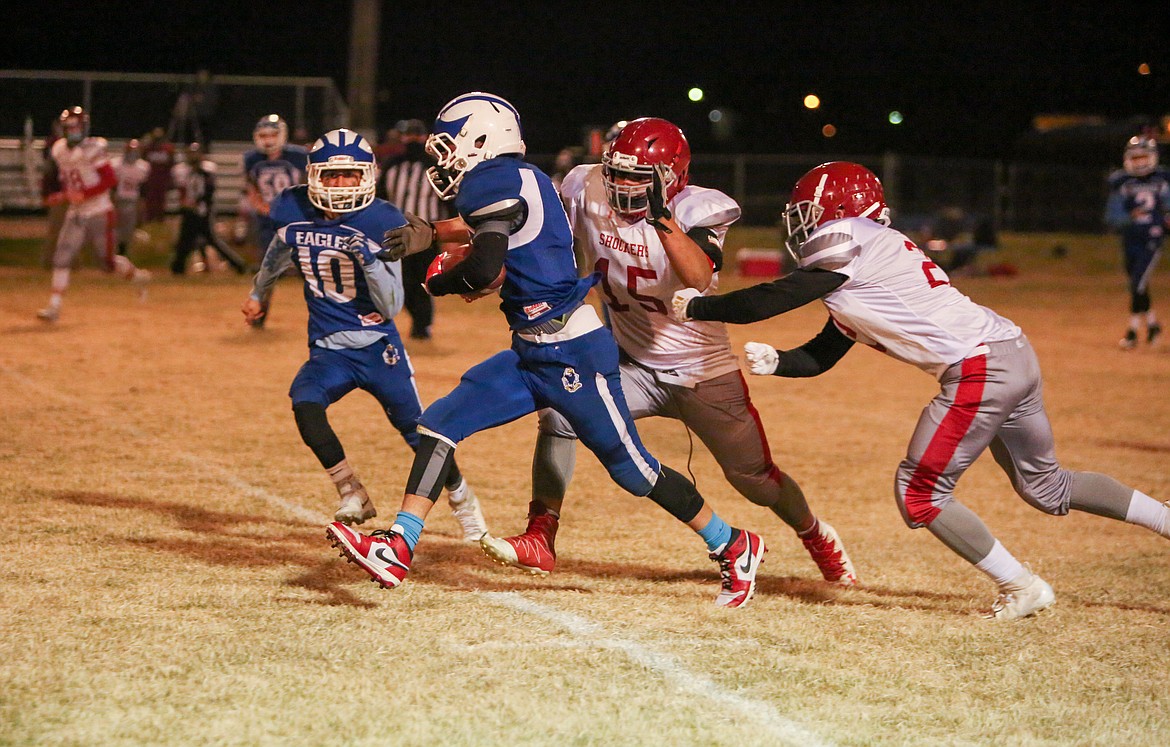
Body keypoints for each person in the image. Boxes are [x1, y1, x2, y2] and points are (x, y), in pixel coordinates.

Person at [672, 161, 1170, 620]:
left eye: (808, 213)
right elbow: (821, 354)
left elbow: (775, 297)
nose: (800, 226)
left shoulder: (848, 237)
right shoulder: (867, 268)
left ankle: (1021, 586)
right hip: (1011, 350)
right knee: (1047, 486)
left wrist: (700, 308)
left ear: (840, 211)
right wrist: (779, 362)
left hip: (979, 367)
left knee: (919, 493)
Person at [327, 93, 768, 608]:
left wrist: (443, 281)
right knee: (440, 422)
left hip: (575, 350)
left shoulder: (491, 181)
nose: (442, 159)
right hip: (532, 349)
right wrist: (432, 236)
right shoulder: (523, 180)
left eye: (450, 145)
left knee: (633, 469)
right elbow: (505, 235)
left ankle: (734, 543)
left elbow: (486, 268)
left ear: (480, 142)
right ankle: (397, 545)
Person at [479, 117, 856, 586]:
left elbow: (699, 276)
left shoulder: (701, 208)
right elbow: (538, 235)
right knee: (560, 414)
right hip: (629, 362)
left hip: (701, 372)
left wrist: (662, 218)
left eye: (637, 177)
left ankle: (814, 532)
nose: (621, 185)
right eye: (616, 172)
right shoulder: (583, 185)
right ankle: (541, 534)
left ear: (672, 176)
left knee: (754, 480)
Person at [241, 128, 487, 537]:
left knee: (417, 431)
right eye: (331, 175)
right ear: (313, 175)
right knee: (304, 402)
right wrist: (258, 293)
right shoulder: (293, 206)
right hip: (328, 348)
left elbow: (391, 306)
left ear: (366, 177)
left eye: (349, 176)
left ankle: (462, 499)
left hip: (377, 346)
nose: (340, 185)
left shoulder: (382, 219)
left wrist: (367, 258)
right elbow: (280, 248)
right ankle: (351, 489)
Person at [36, 106, 151, 323]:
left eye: (77, 127)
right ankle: (54, 306)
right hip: (77, 212)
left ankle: (137, 276)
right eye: (69, 127)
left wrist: (84, 193)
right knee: (62, 255)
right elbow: (59, 176)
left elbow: (109, 179)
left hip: (99, 210)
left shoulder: (94, 148)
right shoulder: (59, 149)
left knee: (107, 264)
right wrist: (55, 194)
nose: (73, 131)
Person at [378, 118, 452, 340]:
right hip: (397, 234)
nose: (411, 141)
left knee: (421, 281)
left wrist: (448, 234)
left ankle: (422, 325)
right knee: (401, 281)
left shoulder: (436, 167)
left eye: (415, 136)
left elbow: (449, 201)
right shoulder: (392, 165)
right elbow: (381, 200)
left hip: (427, 234)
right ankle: (416, 319)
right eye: (408, 136)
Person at [242, 114, 309, 327]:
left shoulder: (299, 156)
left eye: (272, 134)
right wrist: (264, 208)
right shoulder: (252, 159)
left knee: (312, 270)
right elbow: (251, 188)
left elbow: (308, 185)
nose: (268, 139)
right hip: (268, 222)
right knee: (267, 272)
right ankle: (258, 315)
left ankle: (330, 315)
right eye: (263, 135)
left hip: (297, 221)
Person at [1104, 135, 1168, 349]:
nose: (1140, 162)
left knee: (1137, 283)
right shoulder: (1121, 182)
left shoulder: (1163, 179)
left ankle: (1131, 333)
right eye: (1136, 157)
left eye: (1144, 157)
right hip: (1131, 238)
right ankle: (1152, 325)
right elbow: (1112, 216)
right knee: (1139, 285)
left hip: (1152, 237)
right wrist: (1128, 217)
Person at [169, 142, 249, 275]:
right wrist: (185, 204)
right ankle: (178, 267)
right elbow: (181, 189)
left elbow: (208, 190)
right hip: (189, 210)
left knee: (212, 241)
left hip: (203, 211)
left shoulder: (207, 170)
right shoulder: (181, 170)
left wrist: (199, 205)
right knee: (185, 241)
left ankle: (238, 265)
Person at [110, 138, 150, 257]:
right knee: (114, 228)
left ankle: (123, 254)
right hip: (118, 199)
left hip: (133, 200)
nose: (132, 154)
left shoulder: (143, 167)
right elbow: (113, 186)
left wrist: (141, 204)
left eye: (135, 151)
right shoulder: (116, 164)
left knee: (128, 230)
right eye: (130, 150)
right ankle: (113, 254)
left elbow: (143, 188)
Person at [141, 127, 175, 225]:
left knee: (161, 198)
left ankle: (160, 217)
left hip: (162, 178)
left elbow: (171, 163)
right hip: (151, 178)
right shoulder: (148, 148)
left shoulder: (168, 149)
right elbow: (143, 160)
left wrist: (170, 178)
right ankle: (150, 217)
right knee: (150, 198)